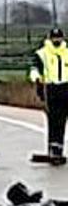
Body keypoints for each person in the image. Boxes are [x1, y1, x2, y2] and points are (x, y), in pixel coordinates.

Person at [30, 27, 68, 165]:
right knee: (53, 119)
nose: (56, 40)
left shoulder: (67, 52)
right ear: (50, 38)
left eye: (59, 38)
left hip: (66, 87)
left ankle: (59, 149)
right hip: (51, 88)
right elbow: (35, 68)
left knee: (62, 120)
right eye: (54, 38)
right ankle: (53, 148)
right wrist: (36, 79)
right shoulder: (42, 53)